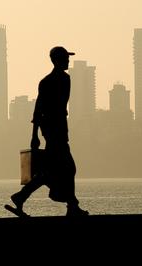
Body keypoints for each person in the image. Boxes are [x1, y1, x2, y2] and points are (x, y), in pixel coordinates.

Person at [9, 46, 89, 217]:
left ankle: (21, 196)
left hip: (56, 129)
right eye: (65, 58)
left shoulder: (58, 80)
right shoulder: (51, 82)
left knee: (55, 171)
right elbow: (39, 110)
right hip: (54, 131)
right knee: (68, 168)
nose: (68, 61)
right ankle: (72, 206)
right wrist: (34, 135)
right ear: (56, 60)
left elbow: (43, 110)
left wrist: (37, 133)